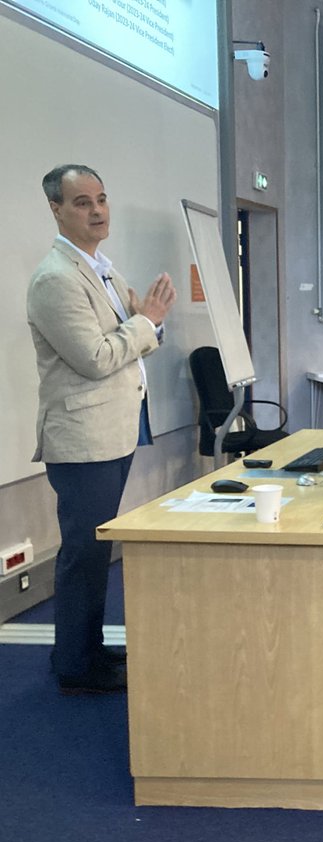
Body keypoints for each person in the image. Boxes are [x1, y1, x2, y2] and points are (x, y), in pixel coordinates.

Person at [27, 164, 176, 694]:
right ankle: (74, 665)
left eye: (102, 199)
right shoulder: (56, 279)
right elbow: (95, 357)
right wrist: (146, 321)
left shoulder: (101, 269)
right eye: (83, 202)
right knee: (83, 552)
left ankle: (86, 647)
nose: (97, 211)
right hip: (82, 438)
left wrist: (143, 321)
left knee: (95, 550)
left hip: (113, 428)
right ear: (57, 210)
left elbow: (126, 342)